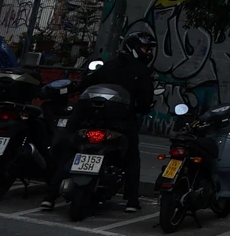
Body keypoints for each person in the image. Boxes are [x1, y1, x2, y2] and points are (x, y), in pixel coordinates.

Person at [44, 27, 155, 212]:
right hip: (119, 123)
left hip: (88, 119)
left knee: (68, 152)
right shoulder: (142, 72)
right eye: (145, 48)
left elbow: (84, 85)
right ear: (134, 48)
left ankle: (49, 196)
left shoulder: (108, 66)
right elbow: (145, 104)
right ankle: (132, 201)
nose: (148, 52)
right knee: (132, 157)